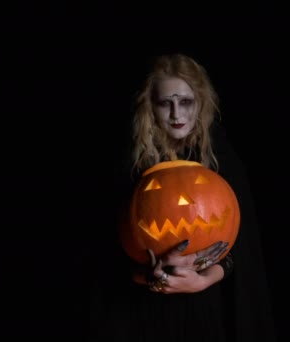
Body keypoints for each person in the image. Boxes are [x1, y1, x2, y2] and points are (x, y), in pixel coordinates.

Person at [88, 53, 277, 342]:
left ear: (200, 103)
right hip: (141, 312)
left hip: (207, 308)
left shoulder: (220, 158)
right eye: (166, 103)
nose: (177, 114)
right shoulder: (127, 164)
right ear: (150, 106)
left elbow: (243, 246)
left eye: (186, 102)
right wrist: (154, 278)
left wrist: (203, 280)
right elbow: (104, 255)